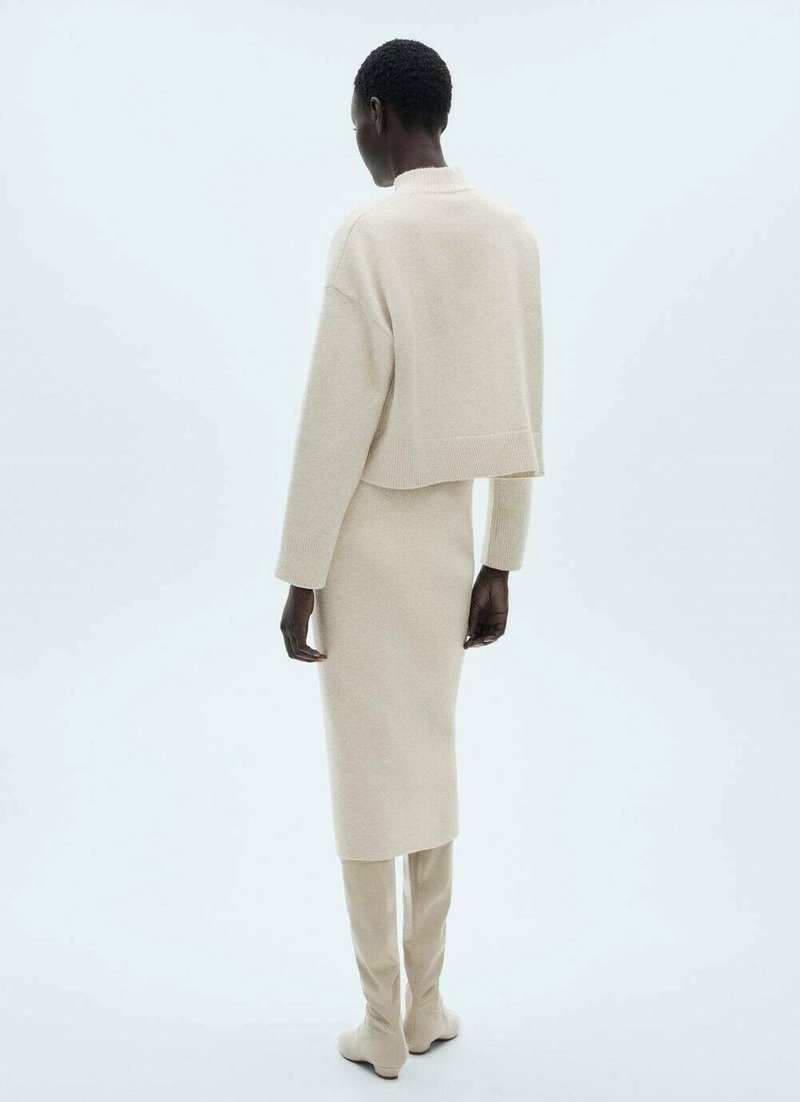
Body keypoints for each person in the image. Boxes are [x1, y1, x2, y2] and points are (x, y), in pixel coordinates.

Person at [274, 38, 544, 1080]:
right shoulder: (508, 233)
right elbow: (522, 405)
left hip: (364, 537)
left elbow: (332, 419)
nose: (355, 134)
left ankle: (380, 1019)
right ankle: (425, 1002)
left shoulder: (370, 234)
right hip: (447, 540)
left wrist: (301, 574)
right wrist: (500, 558)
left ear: (377, 111)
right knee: (428, 762)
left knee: (365, 776)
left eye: (355, 115)